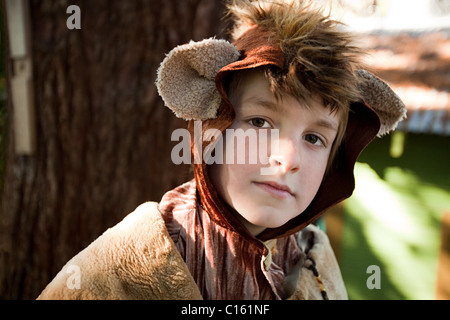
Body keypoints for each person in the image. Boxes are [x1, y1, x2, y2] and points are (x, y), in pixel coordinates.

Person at [38, 0, 405, 300]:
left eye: (313, 139)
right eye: (260, 122)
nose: (288, 160)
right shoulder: (128, 261)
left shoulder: (315, 261)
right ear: (213, 127)